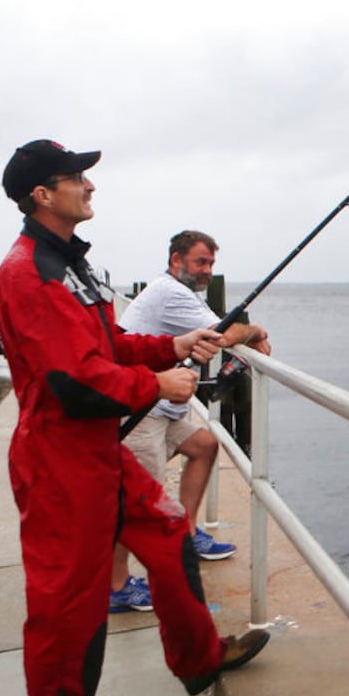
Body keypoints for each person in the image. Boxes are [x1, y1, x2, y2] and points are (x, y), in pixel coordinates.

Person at [0, 139, 270, 696]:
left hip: (96, 452)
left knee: (169, 532)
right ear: (43, 193)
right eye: (76, 178)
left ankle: (200, 656)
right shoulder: (29, 271)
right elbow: (72, 381)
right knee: (68, 611)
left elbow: (108, 344)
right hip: (60, 461)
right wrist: (158, 387)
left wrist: (171, 346)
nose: (89, 187)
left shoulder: (67, 264)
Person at [109, 230, 271, 611]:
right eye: (201, 262)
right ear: (175, 260)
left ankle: (189, 531)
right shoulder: (171, 294)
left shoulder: (184, 293)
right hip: (141, 410)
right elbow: (224, 335)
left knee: (205, 445)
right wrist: (256, 331)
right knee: (134, 504)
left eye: (212, 264)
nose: (207, 271)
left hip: (162, 407)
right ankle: (115, 587)